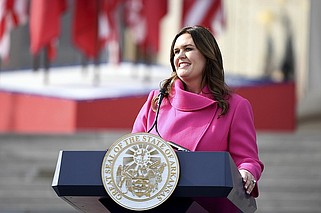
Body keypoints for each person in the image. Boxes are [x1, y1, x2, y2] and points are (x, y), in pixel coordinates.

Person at [132, 25, 264, 200]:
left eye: (188, 49)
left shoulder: (235, 106)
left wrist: (247, 172)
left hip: (207, 202)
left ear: (207, 55)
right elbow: (132, 150)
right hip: (156, 201)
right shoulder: (157, 100)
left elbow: (247, 159)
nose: (180, 56)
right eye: (176, 51)